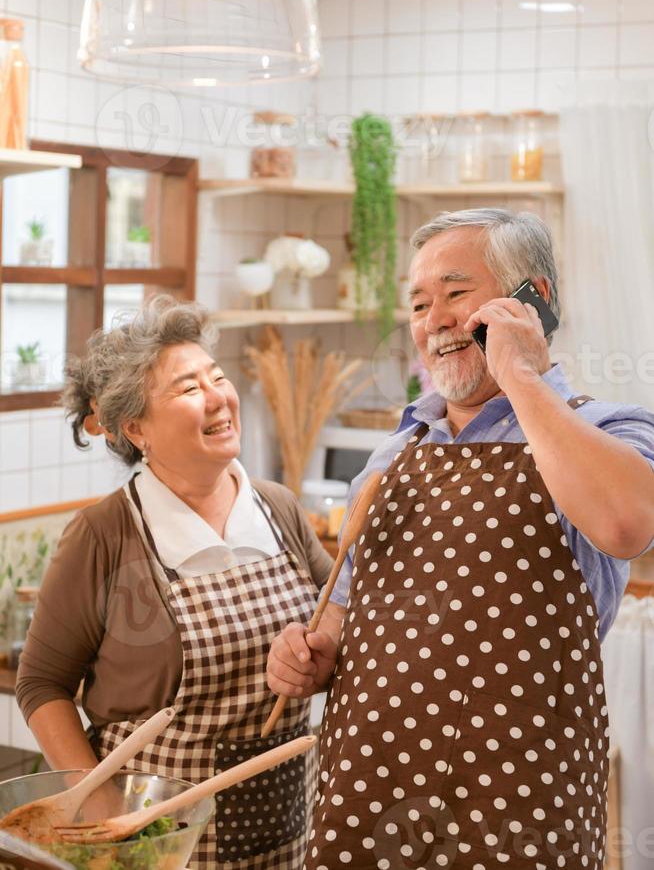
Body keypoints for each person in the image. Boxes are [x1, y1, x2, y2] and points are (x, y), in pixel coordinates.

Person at [267, 208, 654, 870]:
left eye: (454, 293)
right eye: (419, 304)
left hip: (519, 794)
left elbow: (627, 523)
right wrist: (316, 645)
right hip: (370, 781)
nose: (433, 319)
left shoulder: (610, 429)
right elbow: (347, 601)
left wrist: (522, 376)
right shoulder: (395, 451)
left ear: (533, 299)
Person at [16, 296, 333, 870]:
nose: (218, 398)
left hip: (286, 828)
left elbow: (332, 631)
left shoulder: (279, 510)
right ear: (136, 428)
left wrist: (319, 664)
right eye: (189, 389)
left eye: (216, 376)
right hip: (154, 835)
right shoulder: (104, 535)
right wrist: (102, 804)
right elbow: (40, 685)